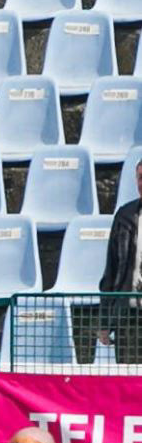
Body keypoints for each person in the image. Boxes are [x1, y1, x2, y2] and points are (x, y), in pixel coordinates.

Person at [98, 156, 142, 364]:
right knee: (128, 378)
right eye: (140, 178)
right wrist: (104, 321)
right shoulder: (124, 216)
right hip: (128, 315)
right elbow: (112, 270)